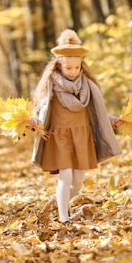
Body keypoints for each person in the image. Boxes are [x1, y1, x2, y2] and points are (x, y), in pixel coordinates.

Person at [29, 29, 123, 224]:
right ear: (58, 66)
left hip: (82, 136)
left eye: (77, 68)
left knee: (78, 180)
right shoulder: (51, 86)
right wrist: (33, 123)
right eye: (68, 68)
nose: (73, 71)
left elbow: (95, 111)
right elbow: (42, 110)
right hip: (60, 136)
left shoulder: (87, 86)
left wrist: (112, 120)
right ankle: (64, 217)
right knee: (66, 175)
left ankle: (60, 202)